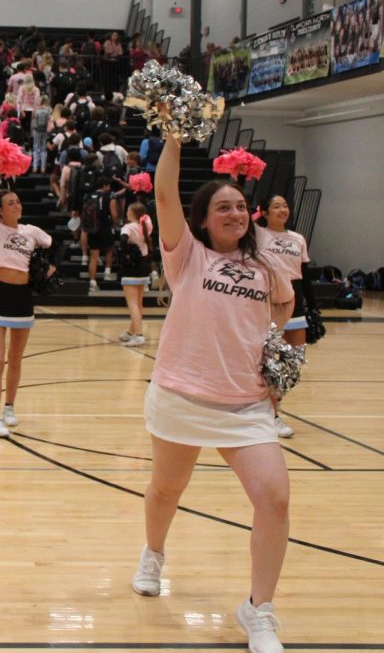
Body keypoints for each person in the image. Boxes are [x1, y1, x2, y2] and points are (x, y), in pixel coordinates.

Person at [132, 132, 290, 653]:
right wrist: (174, 140)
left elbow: (284, 308)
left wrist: (276, 358)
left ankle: (259, 609)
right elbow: (164, 197)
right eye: (224, 207)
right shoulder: (188, 258)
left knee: (274, 498)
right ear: (202, 220)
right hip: (182, 394)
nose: (236, 214)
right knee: (167, 490)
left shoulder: (267, 266)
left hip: (246, 405)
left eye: (242, 207)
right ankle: (153, 553)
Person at [0, 189, 53, 437]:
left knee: (15, 359)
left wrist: (48, 269)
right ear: (0, 211)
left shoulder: (33, 231)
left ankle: (9, 407)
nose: (17, 205)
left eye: (18, 201)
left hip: (23, 300)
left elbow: (53, 246)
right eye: (11, 203)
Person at [256, 195, 314, 439]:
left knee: (292, 363)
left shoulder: (298, 238)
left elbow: (304, 274)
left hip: (296, 299)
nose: (282, 210)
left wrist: (314, 307)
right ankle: (270, 415)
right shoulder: (258, 236)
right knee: (267, 360)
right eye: (276, 206)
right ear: (265, 212)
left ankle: (274, 409)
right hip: (268, 299)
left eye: (285, 206)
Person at [118, 202, 154, 347]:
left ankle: (139, 335)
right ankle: (131, 332)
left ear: (132, 213)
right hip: (144, 265)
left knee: (132, 303)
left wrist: (126, 255)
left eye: (128, 210)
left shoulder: (128, 227)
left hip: (131, 267)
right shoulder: (146, 225)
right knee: (138, 303)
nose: (126, 212)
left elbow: (122, 242)